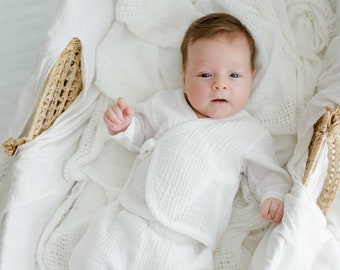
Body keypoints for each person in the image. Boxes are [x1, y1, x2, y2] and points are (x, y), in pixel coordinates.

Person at [69, 12, 292, 269]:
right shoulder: (167, 104)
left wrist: (273, 195)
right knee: (93, 256)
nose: (220, 84)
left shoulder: (248, 133)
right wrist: (125, 126)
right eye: (206, 75)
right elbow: (140, 134)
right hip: (130, 220)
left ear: (251, 77)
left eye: (234, 76)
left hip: (186, 242)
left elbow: (268, 174)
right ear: (185, 76)